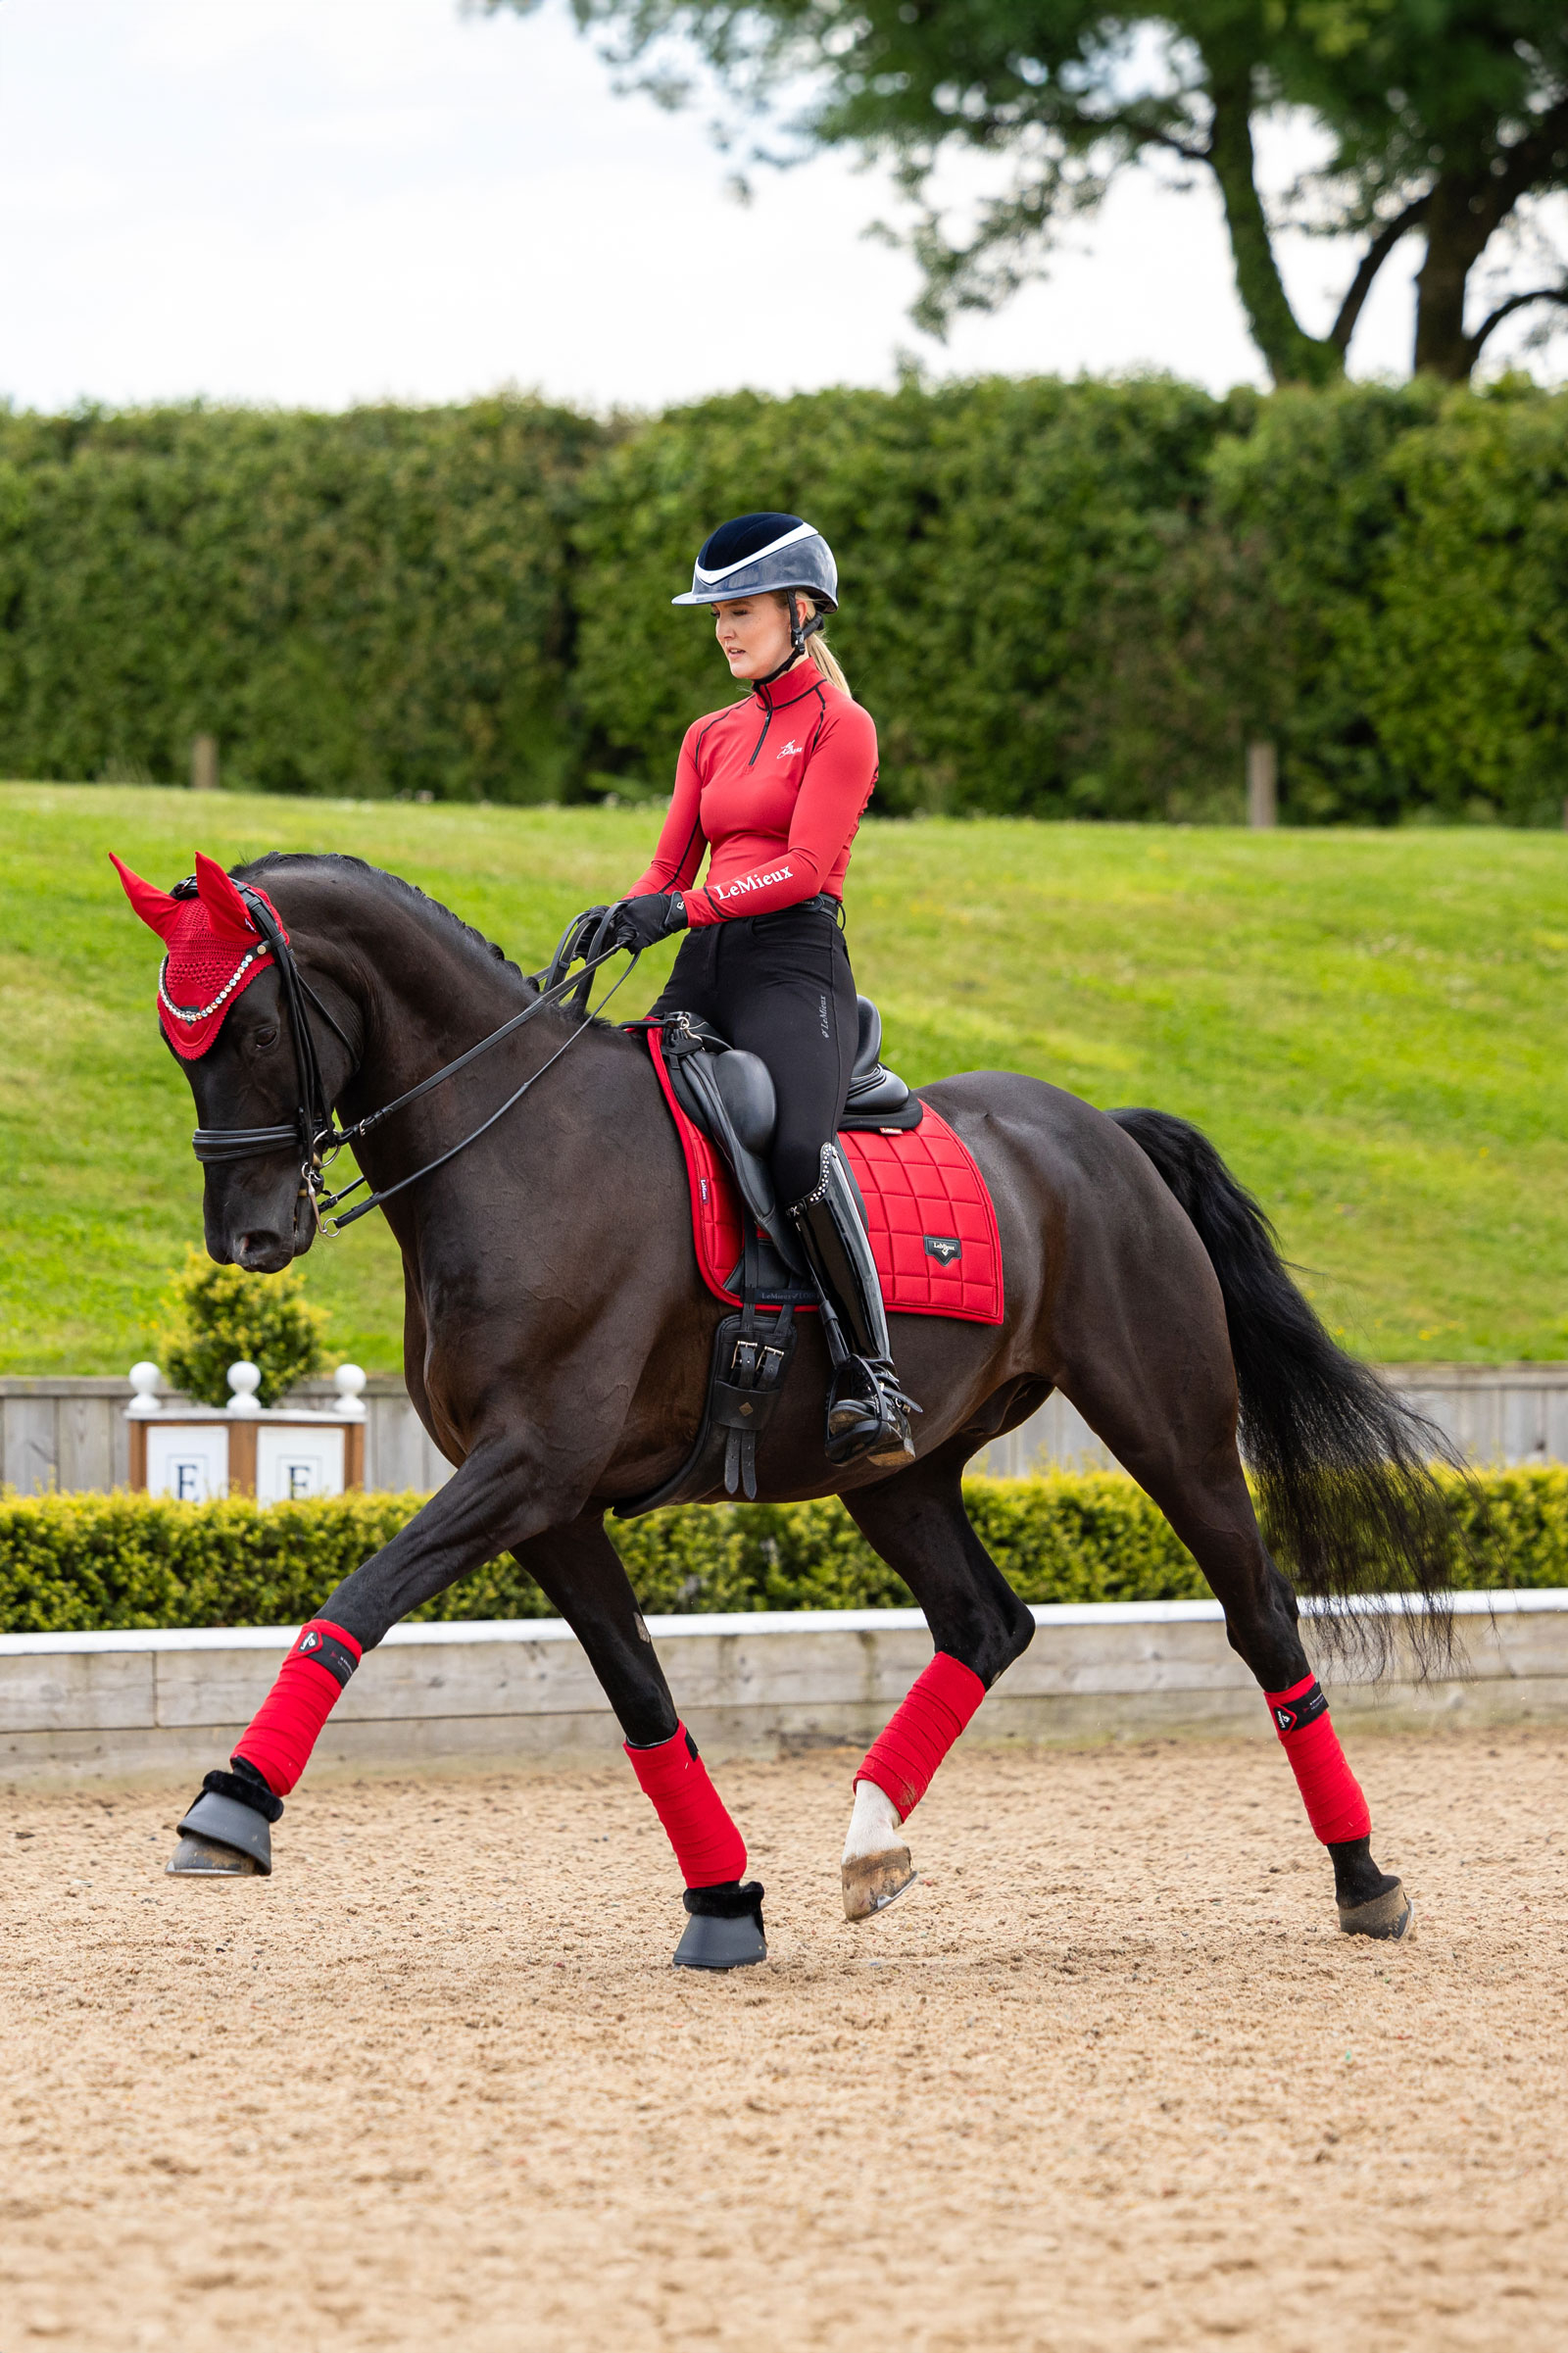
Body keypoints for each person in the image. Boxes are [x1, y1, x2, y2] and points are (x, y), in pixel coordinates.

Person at [575, 510, 917, 1468]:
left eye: (742, 610)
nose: (724, 629)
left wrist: (683, 907)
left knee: (800, 1148)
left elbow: (804, 867)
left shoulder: (843, 727)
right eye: (717, 613)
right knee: (621, 1108)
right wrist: (618, 918)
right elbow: (666, 865)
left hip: (794, 967)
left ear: (802, 612)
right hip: (705, 962)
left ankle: (870, 1376)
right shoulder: (708, 735)